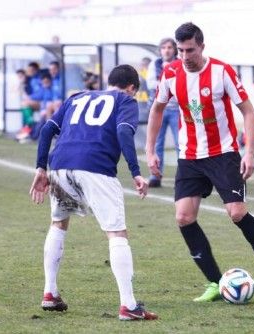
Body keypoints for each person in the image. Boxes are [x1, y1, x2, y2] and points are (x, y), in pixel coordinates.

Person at [146, 22, 254, 303]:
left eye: (190, 50)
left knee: (236, 213)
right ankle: (214, 282)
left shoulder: (222, 71)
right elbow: (157, 109)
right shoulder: (171, 73)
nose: (185, 56)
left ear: (201, 46)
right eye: (180, 50)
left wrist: (249, 152)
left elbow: (248, 112)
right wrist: (151, 150)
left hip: (223, 153)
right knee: (184, 217)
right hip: (189, 155)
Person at [29, 64, 158, 321]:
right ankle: (129, 305)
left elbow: (46, 130)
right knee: (116, 233)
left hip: (61, 166)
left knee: (58, 223)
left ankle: (50, 293)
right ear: (132, 88)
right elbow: (123, 131)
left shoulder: (77, 97)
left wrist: (40, 168)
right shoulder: (126, 100)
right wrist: (135, 171)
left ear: (109, 81)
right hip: (96, 167)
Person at [146, 37, 179, 188]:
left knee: (181, 143)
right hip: (159, 109)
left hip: (176, 110)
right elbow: (151, 83)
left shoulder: (180, 64)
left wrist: (165, 84)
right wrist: (168, 84)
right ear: (160, 50)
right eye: (164, 47)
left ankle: (184, 176)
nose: (167, 50)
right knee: (157, 144)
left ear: (174, 50)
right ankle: (155, 175)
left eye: (170, 47)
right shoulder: (155, 64)